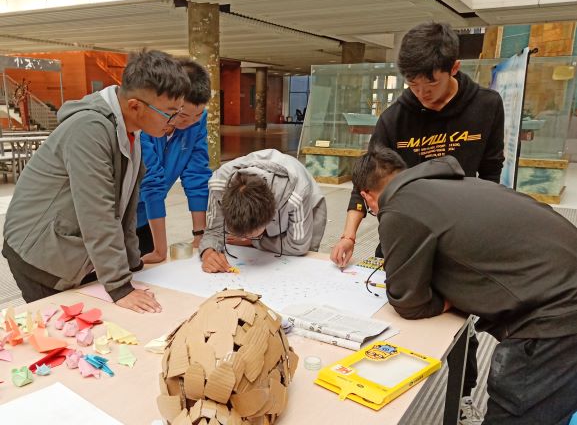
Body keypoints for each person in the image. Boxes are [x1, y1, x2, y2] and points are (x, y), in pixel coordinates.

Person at [352, 147, 577, 425]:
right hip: (561, 281)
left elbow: (408, 301)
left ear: (367, 196)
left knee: (517, 413)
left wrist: (447, 301)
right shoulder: (456, 184)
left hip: (556, 315)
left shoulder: (399, 206)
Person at [2, 50, 190, 313]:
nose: (174, 122)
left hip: (72, 250)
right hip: (40, 256)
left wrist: (132, 264)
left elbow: (125, 206)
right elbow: (97, 213)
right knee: (68, 329)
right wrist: (119, 286)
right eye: (170, 113)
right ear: (135, 106)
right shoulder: (89, 129)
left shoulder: (130, 131)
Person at [331, 21, 504, 266]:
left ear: (454, 68)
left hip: (460, 234)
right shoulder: (394, 119)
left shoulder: (487, 106)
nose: (422, 93)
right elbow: (365, 181)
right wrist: (349, 236)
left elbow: (491, 172)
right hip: (405, 234)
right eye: (413, 85)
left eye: (431, 84)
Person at [199, 149, 327, 273]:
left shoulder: (298, 193)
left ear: (271, 217)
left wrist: (255, 242)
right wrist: (208, 251)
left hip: (308, 205)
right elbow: (214, 230)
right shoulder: (218, 185)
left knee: (301, 266)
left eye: (251, 235)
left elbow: (297, 246)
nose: (242, 239)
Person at [137, 59, 212, 263]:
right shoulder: (143, 122)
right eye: (183, 115)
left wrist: (199, 235)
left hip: (147, 219)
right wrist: (161, 250)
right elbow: (151, 180)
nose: (191, 122)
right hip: (115, 218)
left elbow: (196, 174)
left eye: (198, 115)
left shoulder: (196, 122)